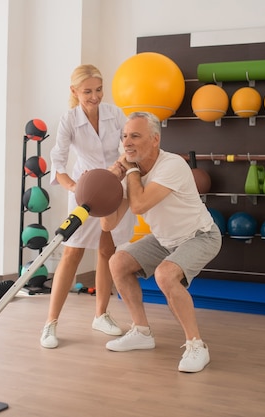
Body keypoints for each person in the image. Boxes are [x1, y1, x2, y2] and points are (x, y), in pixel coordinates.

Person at [101, 111, 222, 373]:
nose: (127, 143)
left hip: (200, 235)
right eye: (124, 137)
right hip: (165, 239)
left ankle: (196, 346)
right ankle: (142, 332)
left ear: (155, 139)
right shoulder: (130, 175)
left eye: (135, 136)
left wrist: (129, 169)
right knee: (118, 262)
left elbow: (140, 204)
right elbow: (108, 224)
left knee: (166, 275)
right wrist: (108, 185)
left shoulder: (172, 165)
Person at [41, 64, 135, 349]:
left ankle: (101, 314)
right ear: (74, 92)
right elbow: (57, 162)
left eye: (98, 89)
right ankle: (50, 323)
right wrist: (74, 187)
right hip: (84, 192)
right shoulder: (69, 119)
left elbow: (128, 147)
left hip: (114, 187)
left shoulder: (114, 114)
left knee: (107, 250)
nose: (95, 96)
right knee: (72, 253)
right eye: (87, 91)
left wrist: (117, 169)